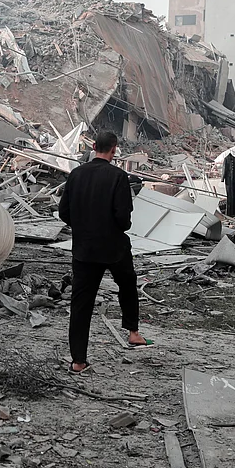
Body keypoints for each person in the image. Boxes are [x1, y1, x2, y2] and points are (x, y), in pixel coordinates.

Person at [58, 131, 150, 374]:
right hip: (113, 247)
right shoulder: (118, 177)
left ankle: (78, 361)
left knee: (81, 303)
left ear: (93, 146)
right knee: (127, 284)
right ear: (114, 149)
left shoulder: (76, 174)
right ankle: (133, 332)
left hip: (84, 249)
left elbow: (63, 212)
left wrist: (82, 225)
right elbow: (123, 219)